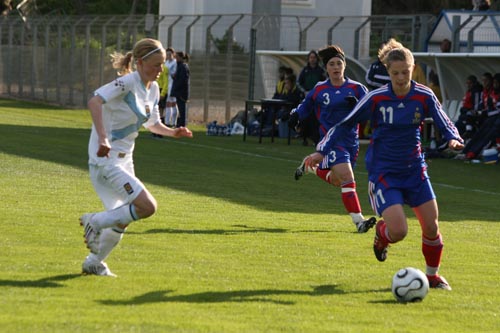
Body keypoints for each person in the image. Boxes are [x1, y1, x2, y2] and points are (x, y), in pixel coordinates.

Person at [302, 39, 464, 290]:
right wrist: (321, 151)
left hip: (415, 170)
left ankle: (432, 276)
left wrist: (453, 137)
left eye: (405, 72)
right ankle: (381, 237)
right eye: (395, 73)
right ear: (388, 72)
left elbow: (443, 119)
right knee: (399, 231)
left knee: (431, 226)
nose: (401, 78)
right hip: (384, 172)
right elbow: (344, 123)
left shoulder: (423, 95)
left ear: (413, 69)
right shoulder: (376, 98)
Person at [80, 38, 193, 277]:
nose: (160, 70)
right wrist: (102, 138)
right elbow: (94, 101)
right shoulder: (127, 82)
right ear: (140, 63)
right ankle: (95, 221)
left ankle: (94, 262)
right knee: (147, 206)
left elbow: (153, 123)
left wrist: (173, 132)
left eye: (162, 64)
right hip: (106, 159)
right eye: (155, 65)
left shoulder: (152, 89)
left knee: (123, 218)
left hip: (124, 160)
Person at [289, 44, 376, 233]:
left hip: (351, 143)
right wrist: (295, 114)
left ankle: (310, 167)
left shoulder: (357, 88)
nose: (336, 67)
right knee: (347, 177)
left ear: (344, 66)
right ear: (326, 69)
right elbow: (305, 106)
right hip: (331, 142)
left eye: (339, 63)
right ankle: (359, 222)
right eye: (332, 64)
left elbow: (371, 111)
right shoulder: (320, 89)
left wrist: (359, 107)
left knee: (339, 181)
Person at [171, 51, 190, 127]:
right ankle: (180, 123)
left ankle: (182, 124)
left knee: (182, 109)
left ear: (181, 58)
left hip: (181, 92)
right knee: (179, 108)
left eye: (177, 57)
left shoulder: (183, 67)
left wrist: (177, 87)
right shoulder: (179, 66)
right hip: (179, 92)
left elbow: (183, 80)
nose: (176, 59)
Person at [163, 47, 178, 127]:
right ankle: (168, 122)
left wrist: (170, 73)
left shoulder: (175, 63)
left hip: (172, 85)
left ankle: (172, 122)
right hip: (167, 85)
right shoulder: (166, 63)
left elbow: (174, 74)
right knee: (168, 104)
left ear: (173, 54)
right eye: (167, 54)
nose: (168, 56)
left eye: (169, 54)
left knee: (173, 104)